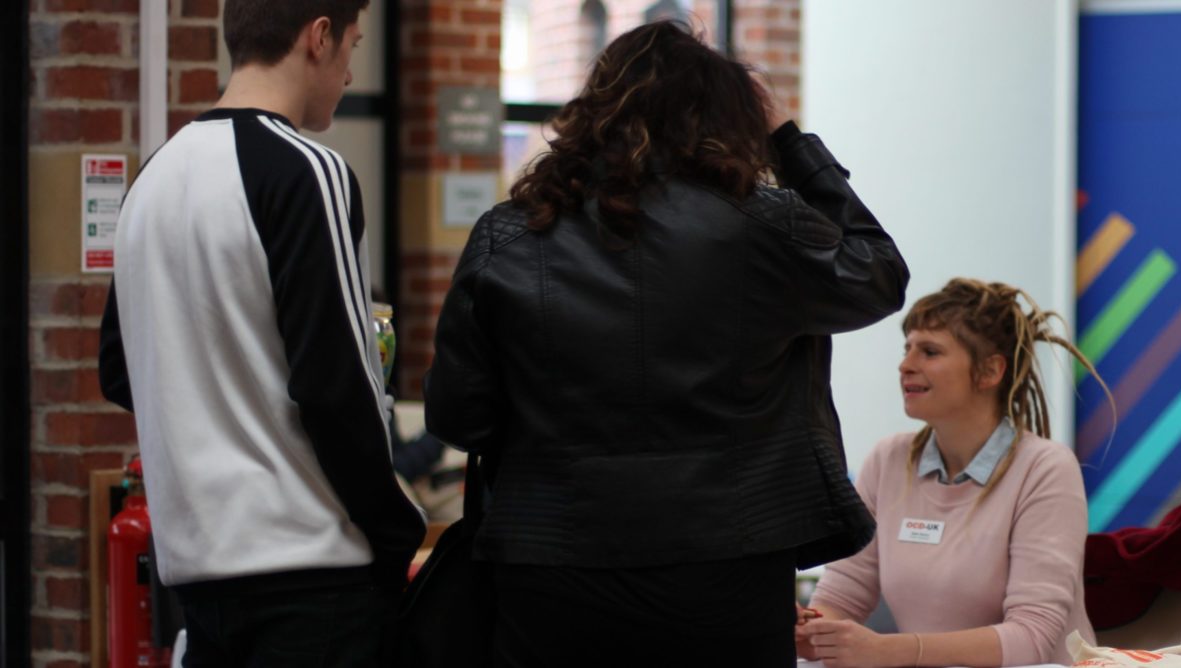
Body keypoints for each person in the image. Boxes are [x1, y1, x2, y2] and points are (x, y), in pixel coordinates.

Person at [423, 21, 909, 667]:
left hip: (553, 562)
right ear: (727, 119)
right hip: (728, 562)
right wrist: (791, 142)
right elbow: (877, 272)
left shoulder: (506, 237)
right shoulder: (761, 228)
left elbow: (459, 415)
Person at [98, 1, 424, 665]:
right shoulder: (311, 169)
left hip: (197, 578)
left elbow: (118, 368)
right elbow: (336, 387)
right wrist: (396, 533)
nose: (352, 73)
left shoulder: (152, 178)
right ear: (319, 37)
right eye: (354, 47)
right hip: (310, 580)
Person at [796, 278, 1112, 667]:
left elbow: (1032, 639)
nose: (906, 364)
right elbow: (842, 598)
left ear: (989, 371)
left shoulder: (1045, 469)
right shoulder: (887, 460)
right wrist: (811, 630)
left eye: (929, 351)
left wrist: (890, 651)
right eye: (907, 348)